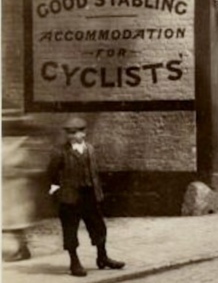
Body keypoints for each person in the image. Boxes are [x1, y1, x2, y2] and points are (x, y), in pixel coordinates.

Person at [48, 116, 125, 277]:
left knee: (99, 227)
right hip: (70, 196)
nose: (73, 136)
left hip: (90, 194)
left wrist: (98, 192)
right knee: (70, 229)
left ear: (83, 133)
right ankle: (74, 262)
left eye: (76, 133)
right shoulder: (60, 151)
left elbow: (94, 172)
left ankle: (102, 257)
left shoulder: (89, 149)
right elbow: (52, 173)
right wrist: (56, 192)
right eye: (69, 133)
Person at [2, 112, 47, 262]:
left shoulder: (20, 144)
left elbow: (34, 168)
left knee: (14, 222)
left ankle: (21, 250)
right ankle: (22, 249)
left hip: (16, 189)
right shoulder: (10, 143)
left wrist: (16, 171)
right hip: (9, 188)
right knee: (11, 222)